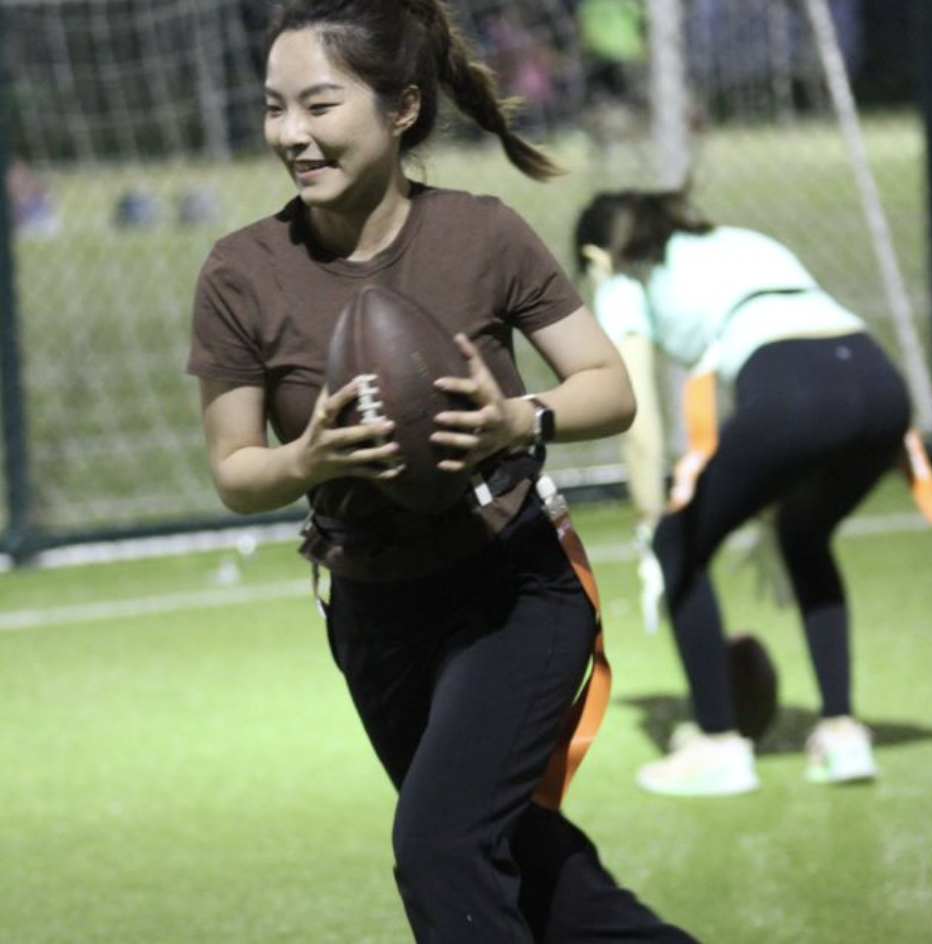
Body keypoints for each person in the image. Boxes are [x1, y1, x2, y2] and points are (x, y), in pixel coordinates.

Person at [188, 2, 702, 942]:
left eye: (318, 105)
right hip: (373, 611)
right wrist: (307, 459)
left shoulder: (482, 234)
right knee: (529, 872)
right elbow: (235, 469)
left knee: (439, 849)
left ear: (402, 108)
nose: (291, 134)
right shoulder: (241, 271)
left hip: (513, 585)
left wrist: (516, 418)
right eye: (273, 108)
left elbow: (609, 388)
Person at [574, 187, 913, 797]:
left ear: (596, 256)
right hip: (881, 384)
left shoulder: (622, 277)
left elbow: (639, 422)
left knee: (678, 543)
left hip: (797, 393)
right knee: (803, 536)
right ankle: (843, 736)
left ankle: (718, 746)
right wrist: (767, 510)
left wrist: (653, 526)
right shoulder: (740, 241)